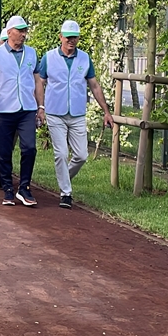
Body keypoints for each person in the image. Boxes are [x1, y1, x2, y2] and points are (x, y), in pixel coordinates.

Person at [35, 20, 113, 209]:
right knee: (61, 153)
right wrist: (41, 107)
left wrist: (106, 111)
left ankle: (64, 179)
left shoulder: (85, 58)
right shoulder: (49, 57)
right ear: (61, 37)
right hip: (55, 113)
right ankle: (66, 194)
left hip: (77, 113)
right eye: (68, 37)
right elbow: (39, 82)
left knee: (82, 155)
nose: (71, 40)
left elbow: (94, 85)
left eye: (75, 37)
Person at [0, 15, 41, 207]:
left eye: (25, 31)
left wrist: (40, 107)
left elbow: (37, 81)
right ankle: (8, 187)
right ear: (9, 33)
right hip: (3, 110)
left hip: (27, 109)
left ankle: (24, 187)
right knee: (3, 151)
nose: (24, 35)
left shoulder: (32, 53)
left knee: (30, 148)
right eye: (20, 31)